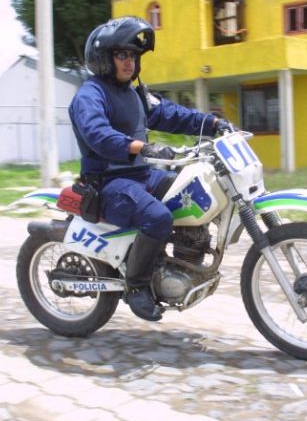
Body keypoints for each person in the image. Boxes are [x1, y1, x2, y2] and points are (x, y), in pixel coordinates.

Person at [68, 16, 232, 322]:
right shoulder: (90, 95)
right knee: (157, 216)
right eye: (122, 55)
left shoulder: (134, 93)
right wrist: (141, 147)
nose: (129, 63)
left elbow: (170, 114)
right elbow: (98, 134)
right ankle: (137, 286)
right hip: (109, 183)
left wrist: (211, 123)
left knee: (195, 191)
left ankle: (180, 260)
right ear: (105, 58)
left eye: (133, 56)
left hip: (141, 176)